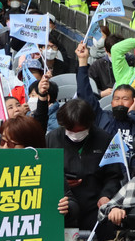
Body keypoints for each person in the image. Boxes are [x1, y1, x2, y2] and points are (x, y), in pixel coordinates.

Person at [46, 98, 123, 229]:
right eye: (71, 130)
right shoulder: (52, 139)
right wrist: (62, 182)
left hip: (95, 204)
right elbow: (46, 174)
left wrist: (106, 195)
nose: (75, 134)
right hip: (63, 207)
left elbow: (113, 175)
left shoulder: (104, 139)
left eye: (79, 131)